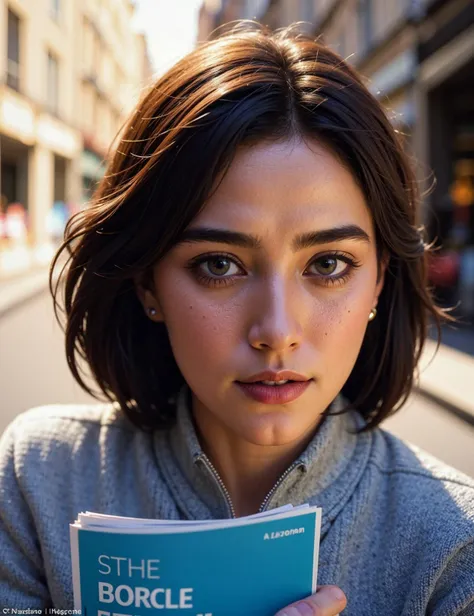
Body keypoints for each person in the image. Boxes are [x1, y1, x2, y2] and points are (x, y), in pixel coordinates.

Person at [0, 23, 473, 615]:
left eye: (328, 263)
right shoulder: (38, 482)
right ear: (148, 282)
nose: (276, 330)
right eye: (219, 264)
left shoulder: (456, 549)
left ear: (380, 276)